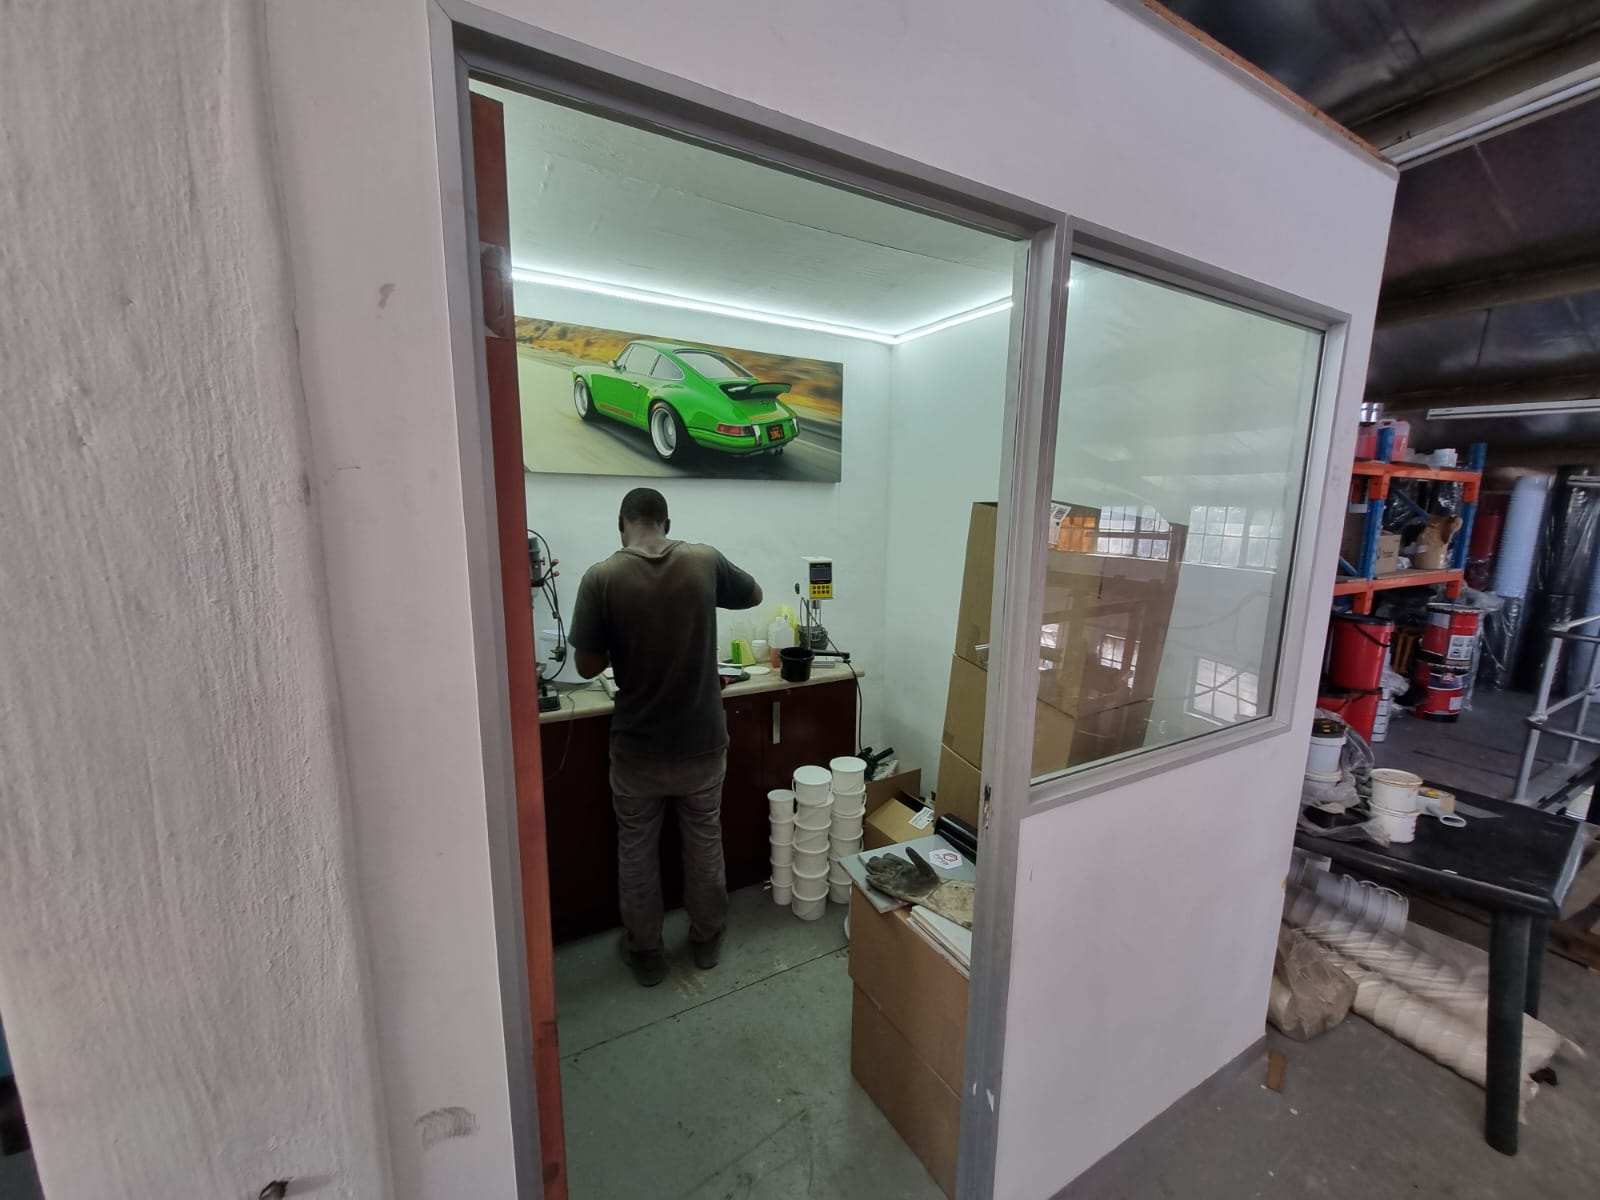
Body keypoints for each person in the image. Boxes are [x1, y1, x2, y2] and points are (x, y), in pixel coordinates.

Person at [568, 487, 763, 986]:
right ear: (667, 523)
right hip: (702, 742)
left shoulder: (601, 577)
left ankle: (647, 952)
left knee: (637, 850)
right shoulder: (703, 560)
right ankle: (707, 938)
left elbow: (586, 666)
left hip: (638, 750)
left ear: (621, 523)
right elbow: (754, 594)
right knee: (704, 841)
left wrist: (624, 635)